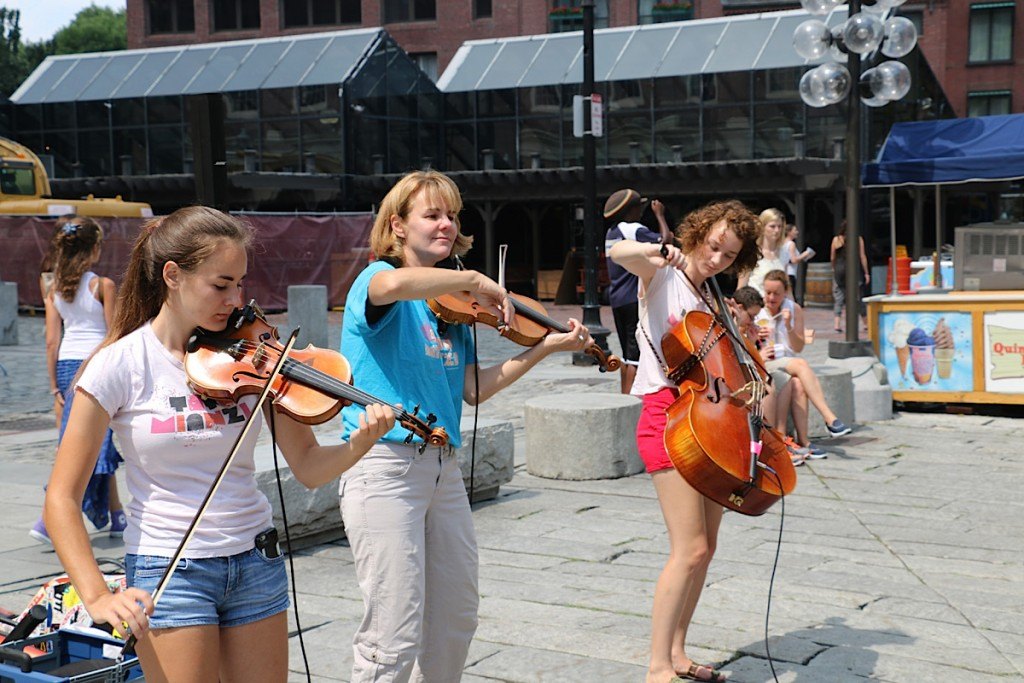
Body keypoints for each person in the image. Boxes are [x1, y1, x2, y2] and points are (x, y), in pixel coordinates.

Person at [43, 206, 396, 682]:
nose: (235, 300)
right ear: (173, 275)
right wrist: (97, 596)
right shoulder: (119, 364)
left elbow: (309, 466)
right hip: (170, 570)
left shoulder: (253, 357)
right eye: (220, 284)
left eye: (240, 284)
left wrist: (361, 442)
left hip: (255, 561)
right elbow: (61, 498)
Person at [338, 170, 592, 682]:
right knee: (393, 631)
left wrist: (544, 347)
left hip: (442, 468)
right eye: (432, 214)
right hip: (385, 466)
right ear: (398, 226)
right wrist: (472, 278)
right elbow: (391, 285)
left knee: (455, 617)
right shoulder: (378, 279)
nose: (446, 224)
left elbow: (473, 388)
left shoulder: (451, 310)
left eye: (452, 215)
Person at [610, 200, 764, 683]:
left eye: (729, 254)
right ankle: (657, 666)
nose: (716, 258)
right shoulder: (662, 275)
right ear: (697, 233)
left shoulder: (708, 297)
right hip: (666, 416)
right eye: (714, 245)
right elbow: (617, 251)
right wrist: (661, 250)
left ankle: (677, 653)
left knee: (708, 546)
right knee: (690, 548)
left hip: (709, 421)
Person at [31, 216, 126, 545]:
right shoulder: (103, 286)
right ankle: (50, 518)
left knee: (76, 444)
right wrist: (92, 361)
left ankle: (117, 516)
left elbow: (51, 341)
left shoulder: (54, 289)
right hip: (98, 365)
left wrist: (54, 385)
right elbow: (115, 334)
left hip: (66, 367)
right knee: (94, 444)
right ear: (94, 250)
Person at [756, 270, 852, 448]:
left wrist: (788, 326)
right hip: (767, 362)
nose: (771, 297)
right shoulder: (758, 311)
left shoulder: (793, 309)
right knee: (801, 364)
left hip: (787, 361)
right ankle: (829, 417)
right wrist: (756, 336)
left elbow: (798, 347)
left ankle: (804, 440)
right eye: (768, 292)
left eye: (776, 293)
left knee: (798, 385)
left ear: (785, 291)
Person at [731, 286, 824, 464]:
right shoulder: (733, 326)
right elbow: (740, 361)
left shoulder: (745, 328)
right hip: (740, 378)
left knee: (788, 380)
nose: (752, 321)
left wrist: (753, 342)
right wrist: (759, 354)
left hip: (754, 371)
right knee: (769, 387)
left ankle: (780, 437)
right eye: (750, 316)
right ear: (739, 308)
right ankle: (770, 443)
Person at [604, 188, 672, 393]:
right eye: (639, 207)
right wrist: (660, 215)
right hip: (633, 298)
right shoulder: (632, 229)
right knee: (635, 357)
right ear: (630, 210)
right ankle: (630, 402)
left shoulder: (611, 232)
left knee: (626, 356)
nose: (642, 212)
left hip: (617, 298)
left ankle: (623, 398)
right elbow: (665, 241)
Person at [830, 220, 869, 333]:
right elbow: (862, 257)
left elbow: (832, 257)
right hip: (854, 271)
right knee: (858, 298)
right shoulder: (858, 239)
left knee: (839, 298)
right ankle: (865, 323)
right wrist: (866, 272)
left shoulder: (836, 239)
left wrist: (834, 268)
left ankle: (837, 324)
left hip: (839, 270)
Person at [737, 207, 785, 295]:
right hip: (756, 304)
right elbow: (741, 287)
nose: (777, 230)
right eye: (772, 226)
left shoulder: (785, 253)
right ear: (763, 227)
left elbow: (787, 290)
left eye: (780, 226)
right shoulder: (751, 252)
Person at [781, 223, 814, 304]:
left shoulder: (782, 243)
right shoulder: (791, 244)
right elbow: (793, 260)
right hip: (790, 273)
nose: (797, 232)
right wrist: (806, 253)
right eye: (795, 230)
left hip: (783, 272)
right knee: (790, 297)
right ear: (789, 232)